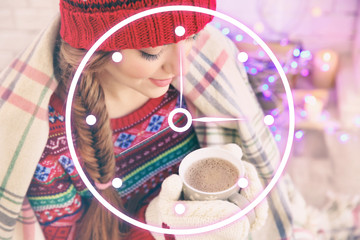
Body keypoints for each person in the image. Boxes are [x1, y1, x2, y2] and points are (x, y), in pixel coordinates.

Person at [2, 0, 348, 240]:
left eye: (192, 36)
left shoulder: (195, 90)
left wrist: (242, 194)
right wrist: (160, 226)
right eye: (152, 51)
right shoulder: (48, 147)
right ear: (94, 47)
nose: (180, 66)